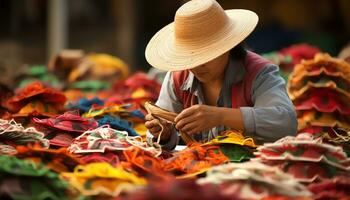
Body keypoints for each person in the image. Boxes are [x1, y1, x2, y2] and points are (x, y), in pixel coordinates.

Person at [144, 0, 297, 150]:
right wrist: (163, 133)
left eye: (206, 56)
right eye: (190, 57)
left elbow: (285, 123)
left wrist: (220, 116)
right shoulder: (177, 77)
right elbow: (159, 132)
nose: (197, 66)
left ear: (227, 47)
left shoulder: (259, 73)